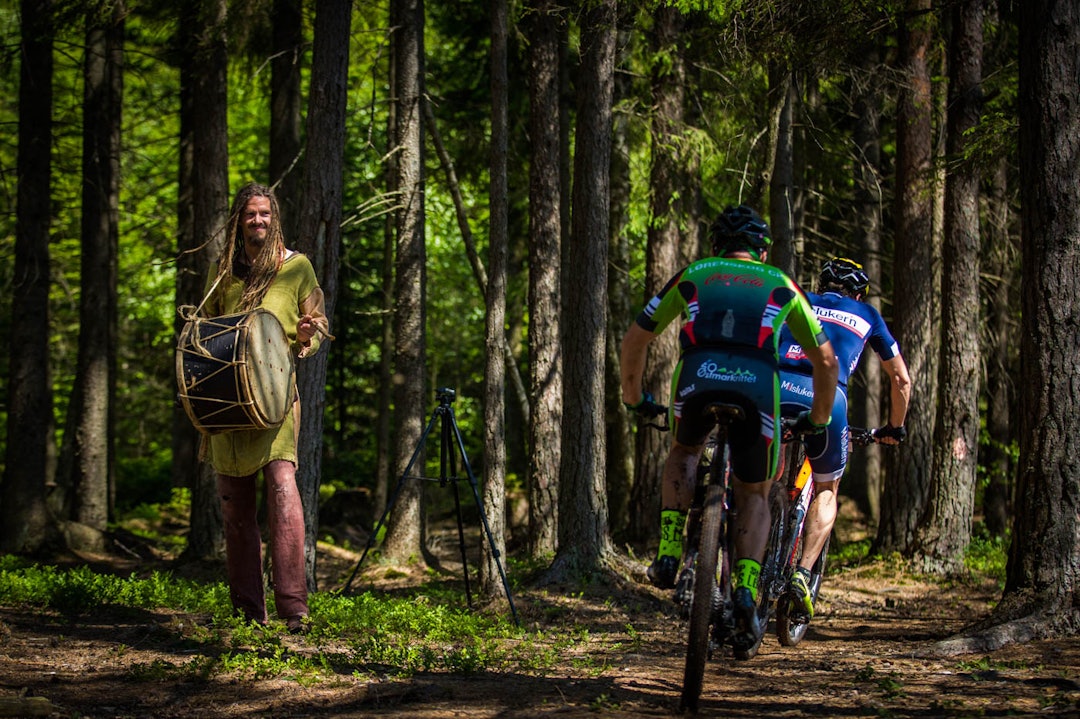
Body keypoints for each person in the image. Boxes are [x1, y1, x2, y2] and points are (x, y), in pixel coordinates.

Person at [620, 204, 838, 654]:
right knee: (755, 492)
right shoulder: (781, 282)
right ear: (761, 250)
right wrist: (817, 417)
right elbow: (827, 361)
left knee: (683, 451)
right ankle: (744, 586)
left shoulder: (694, 273)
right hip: (758, 386)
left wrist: (634, 398)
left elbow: (636, 338)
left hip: (698, 376)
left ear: (716, 245)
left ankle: (666, 552)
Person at [202, 182, 330, 633]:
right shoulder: (224, 272)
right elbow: (203, 331)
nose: (258, 221)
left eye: (265, 214)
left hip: (275, 401)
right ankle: (247, 613)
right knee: (235, 507)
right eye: (250, 214)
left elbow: (317, 324)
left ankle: (293, 609)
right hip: (228, 405)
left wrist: (307, 335)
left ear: (275, 218)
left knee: (282, 489)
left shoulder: (296, 268)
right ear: (240, 220)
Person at [776, 256, 910, 620]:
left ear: (822, 284)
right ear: (858, 292)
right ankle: (802, 575)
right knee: (825, 489)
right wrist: (893, 428)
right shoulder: (868, 314)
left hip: (773, 387)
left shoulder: (797, 297)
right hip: (825, 395)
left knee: (757, 478)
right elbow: (901, 379)